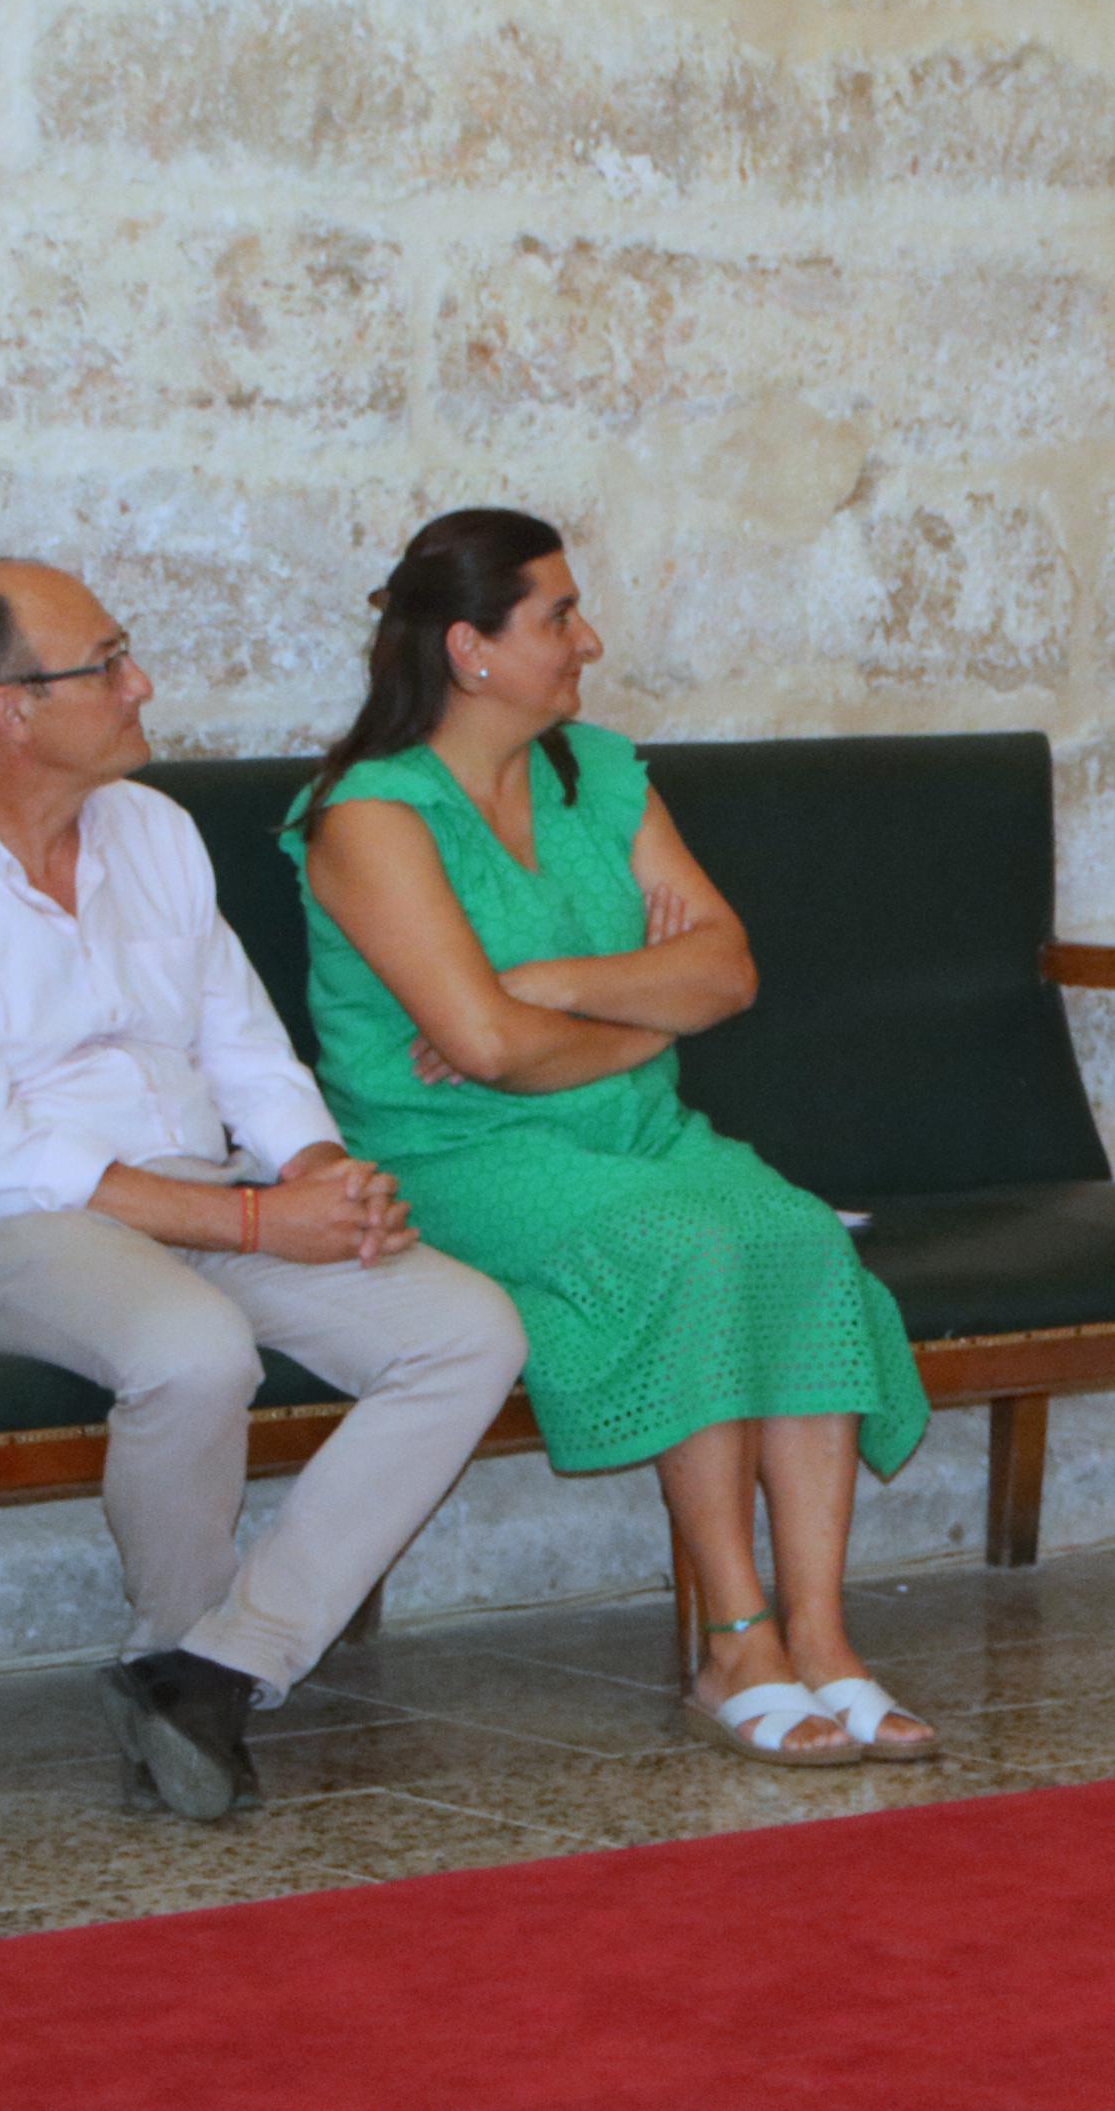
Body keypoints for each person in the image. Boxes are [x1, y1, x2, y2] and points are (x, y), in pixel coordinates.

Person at [0, 560, 523, 1819]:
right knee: (193, 1350)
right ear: (10, 711)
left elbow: (241, 1044)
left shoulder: (156, 831)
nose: (139, 683)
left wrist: (317, 1170)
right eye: (105, 665)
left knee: (466, 1330)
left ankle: (213, 1670)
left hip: (205, 1193)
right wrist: (259, 1221)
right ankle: (171, 1643)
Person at [286, 509, 937, 1768]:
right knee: (693, 1248)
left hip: (639, 1129)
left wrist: (560, 980)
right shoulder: (368, 815)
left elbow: (728, 969)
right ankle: (734, 1643)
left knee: (797, 1239)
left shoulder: (598, 769)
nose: (589, 639)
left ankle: (824, 1639)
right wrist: (640, 1015)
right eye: (557, 617)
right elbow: (481, 1051)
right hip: (459, 1154)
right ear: (469, 648)